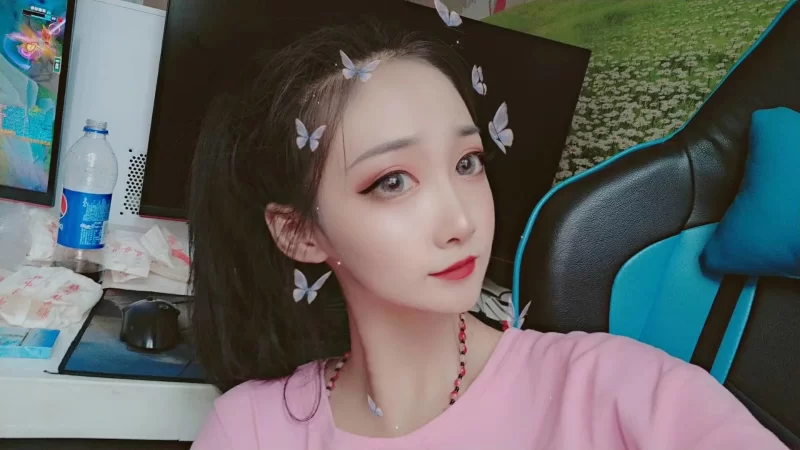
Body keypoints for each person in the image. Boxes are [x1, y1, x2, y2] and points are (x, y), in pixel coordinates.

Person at [187, 22, 788, 450]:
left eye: (467, 163)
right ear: (299, 232)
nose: (462, 222)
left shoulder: (621, 391)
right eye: (393, 181)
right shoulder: (252, 430)